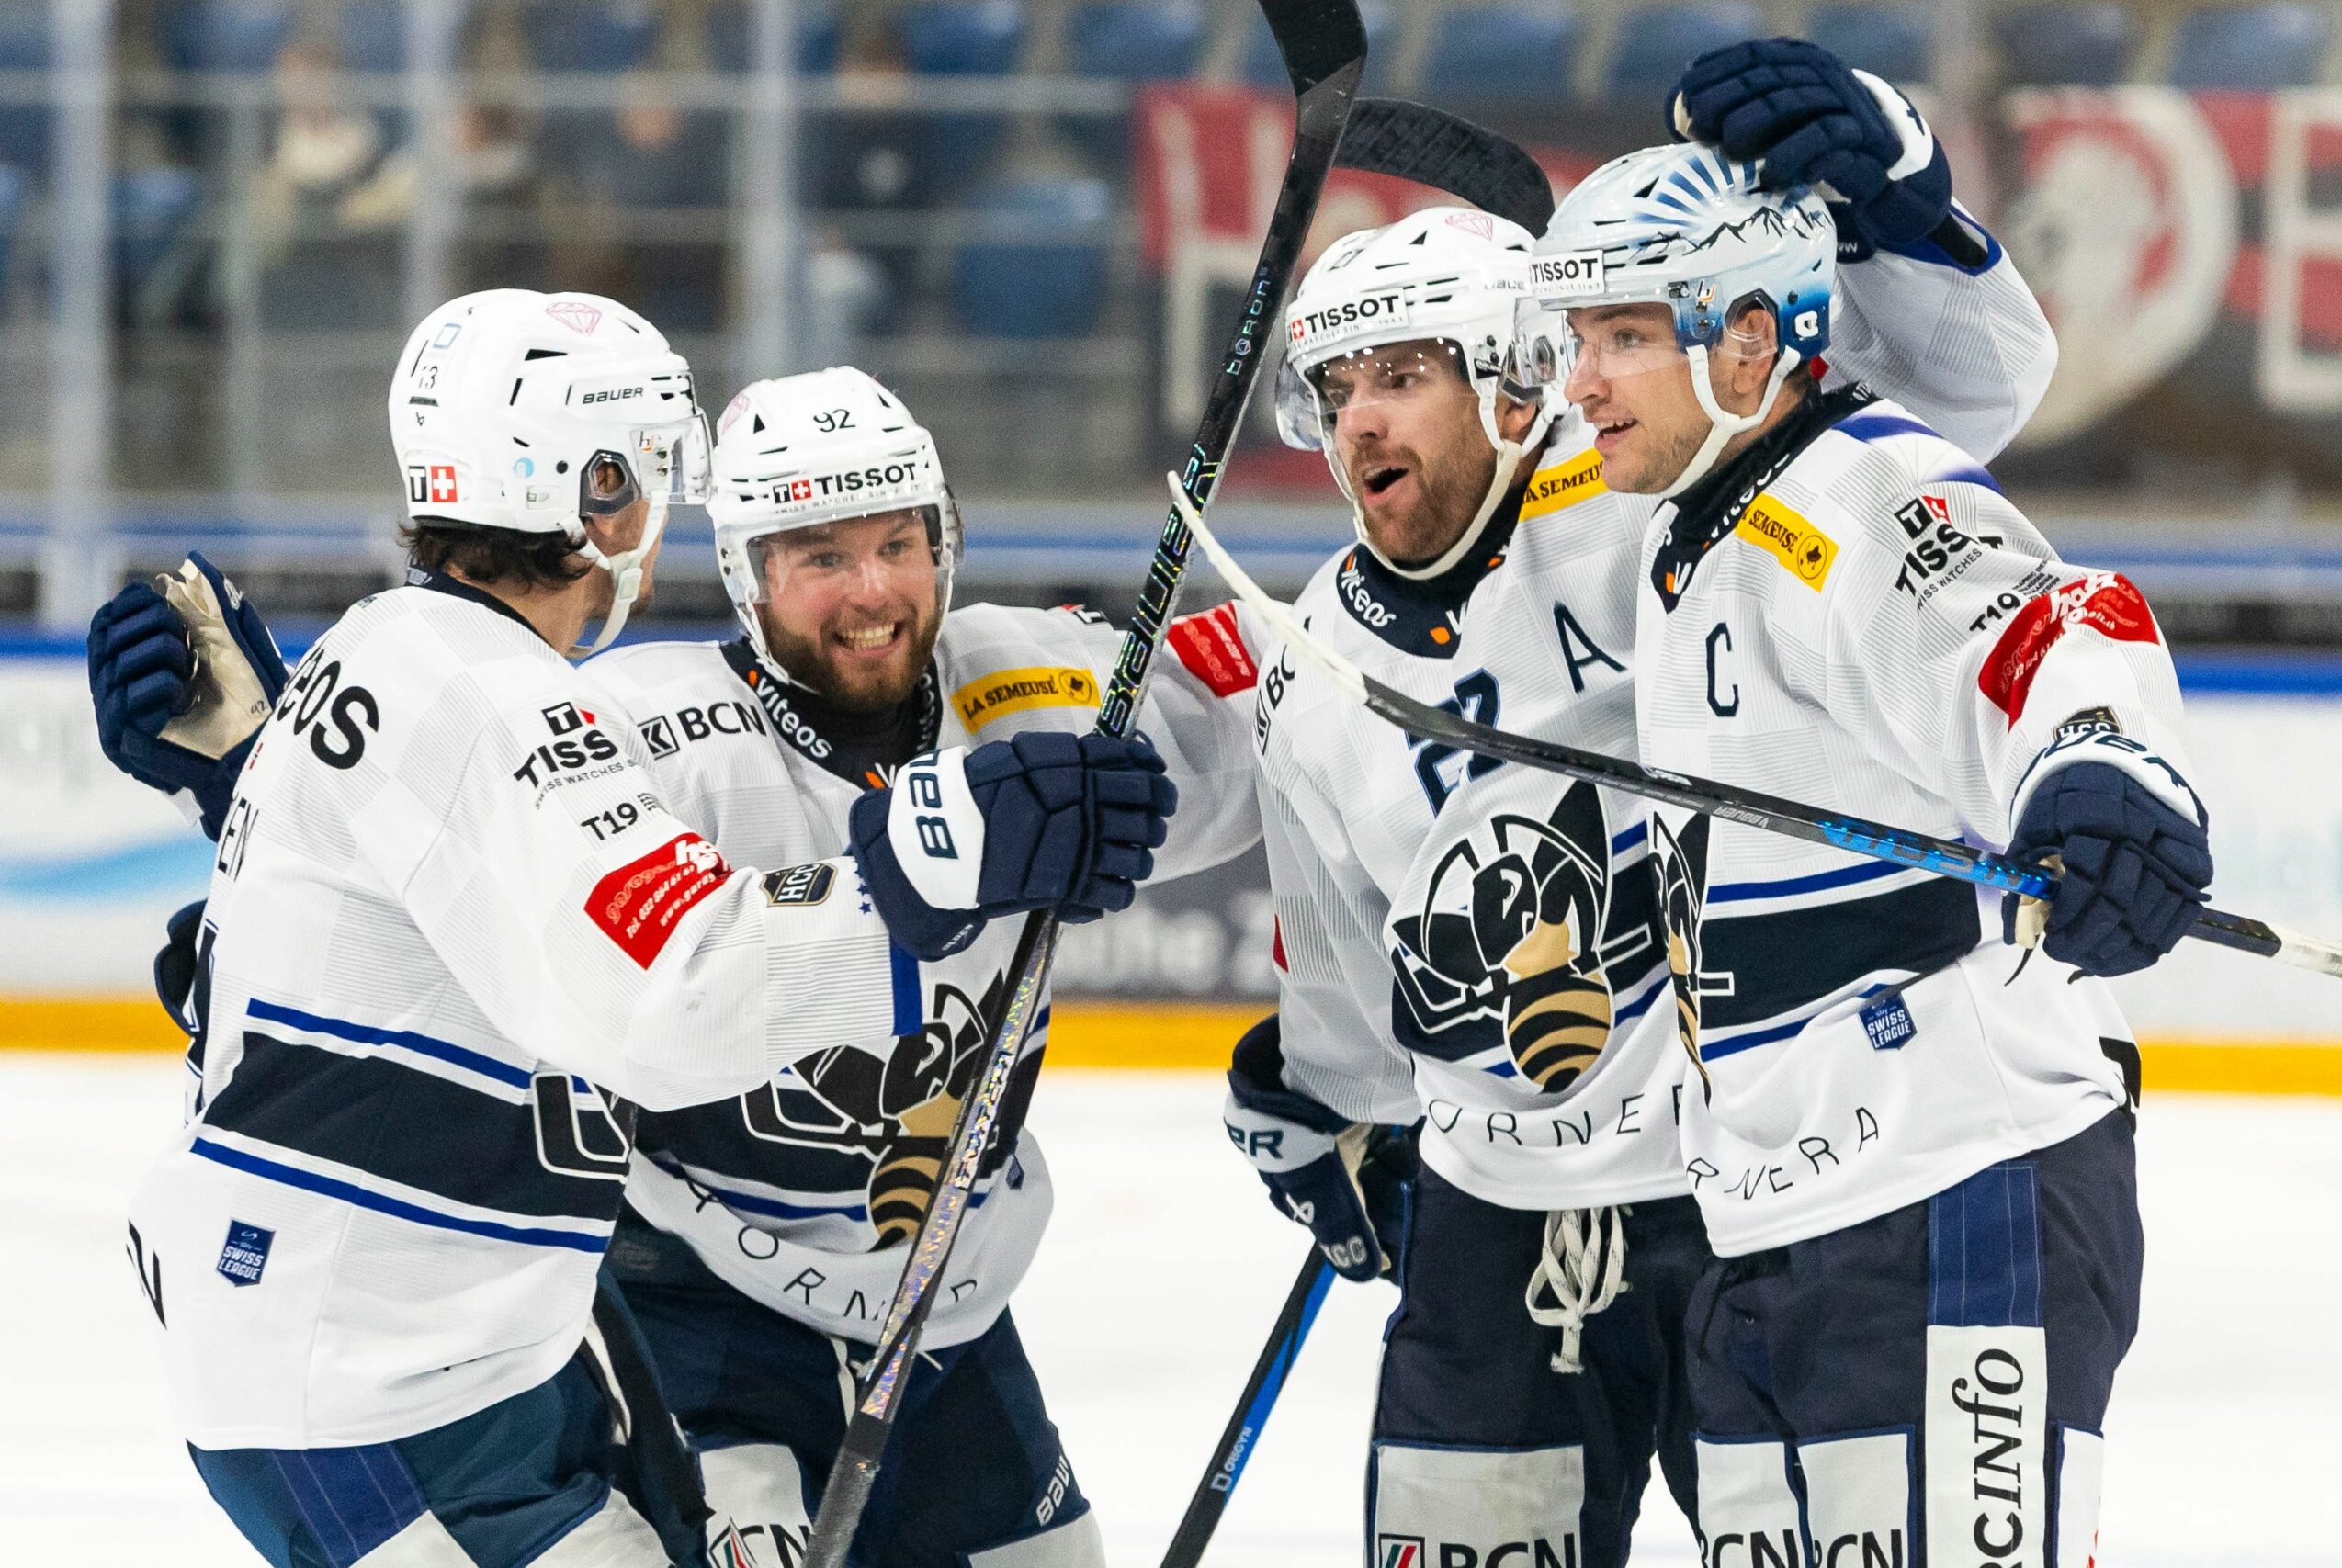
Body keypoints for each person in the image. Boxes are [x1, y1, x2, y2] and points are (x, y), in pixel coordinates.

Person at [92, 361, 1262, 1568]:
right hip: (699, 1301)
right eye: (819, 555)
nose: (872, 592)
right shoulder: (638, 728)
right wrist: (258, 834)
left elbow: (1314, 706)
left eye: (900, 543)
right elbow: (489, 885)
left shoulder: (1050, 687)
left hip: (948, 1310)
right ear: (749, 579)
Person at [1228, 43, 2061, 1568]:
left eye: (1402, 376)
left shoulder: (1660, 499)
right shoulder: (1305, 664)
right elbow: (1348, 960)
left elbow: (1960, 404)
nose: (1361, 427)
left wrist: (1906, 212)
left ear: (1509, 374)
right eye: (1335, 389)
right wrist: (1321, 1096)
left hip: (1727, 1184)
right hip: (1490, 1218)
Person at [1525, 130, 2208, 1564]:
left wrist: (2106, 770)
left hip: (1954, 1195)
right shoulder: (1689, 527)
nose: (1579, 380)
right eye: (1576, 335)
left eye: (1624, 335)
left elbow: (2049, 625)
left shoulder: (1844, 496)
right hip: (1777, 1223)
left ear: (1753, 337)